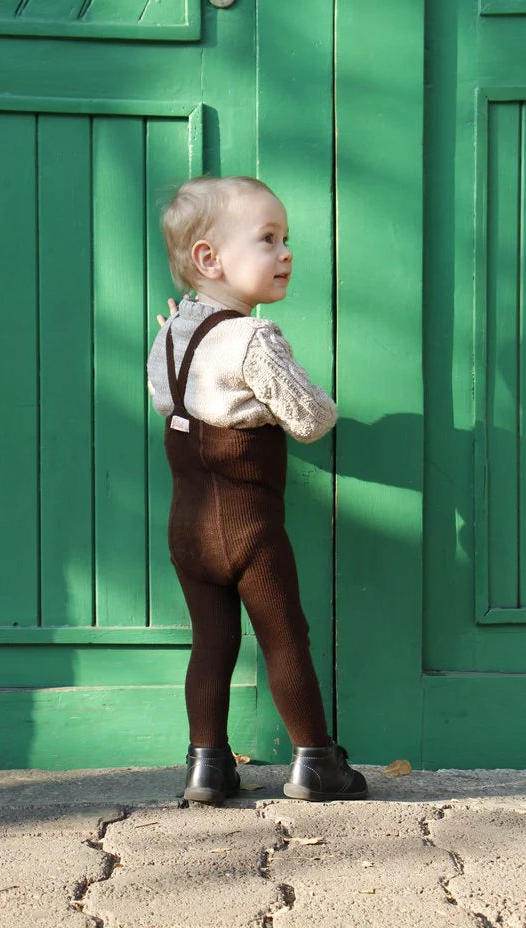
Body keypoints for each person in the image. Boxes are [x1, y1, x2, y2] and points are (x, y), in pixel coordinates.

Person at [147, 176, 367, 804]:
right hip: (247, 525)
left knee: (211, 641)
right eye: (268, 239)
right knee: (282, 635)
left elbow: (170, 401)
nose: (286, 252)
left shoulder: (168, 335)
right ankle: (315, 762)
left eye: (286, 239)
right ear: (209, 259)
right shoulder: (252, 338)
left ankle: (206, 766)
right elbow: (309, 420)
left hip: (187, 527)